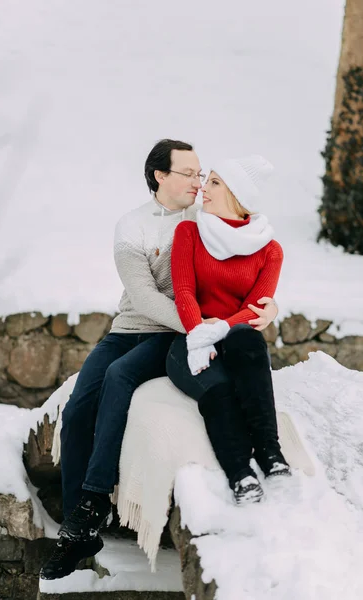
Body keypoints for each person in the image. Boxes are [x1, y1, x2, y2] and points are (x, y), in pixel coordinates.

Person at [40, 141, 276, 580]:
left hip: (172, 334)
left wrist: (262, 309)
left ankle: (94, 500)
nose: (198, 181)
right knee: (76, 411)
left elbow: (251, 257)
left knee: (119, 377)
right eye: (187, 173)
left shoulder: (205, 218)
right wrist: (200, 325)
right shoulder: (132, 226)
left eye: (201, 172)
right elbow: (145, 297)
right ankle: (79, 530)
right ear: (159, 176)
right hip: (130, 328)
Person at [166, 154, 291, 506]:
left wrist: (217, 328)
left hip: (234, 339)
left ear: (237, 194)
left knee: (247, 339)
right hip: (188, 343)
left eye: (215, 183)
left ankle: (270, 454)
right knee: (219, 388)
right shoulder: (189, 232)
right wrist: (199, 333)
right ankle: (241, 474)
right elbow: (184, 292)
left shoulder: (270, 251)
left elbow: (253, 313)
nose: (204, 187)